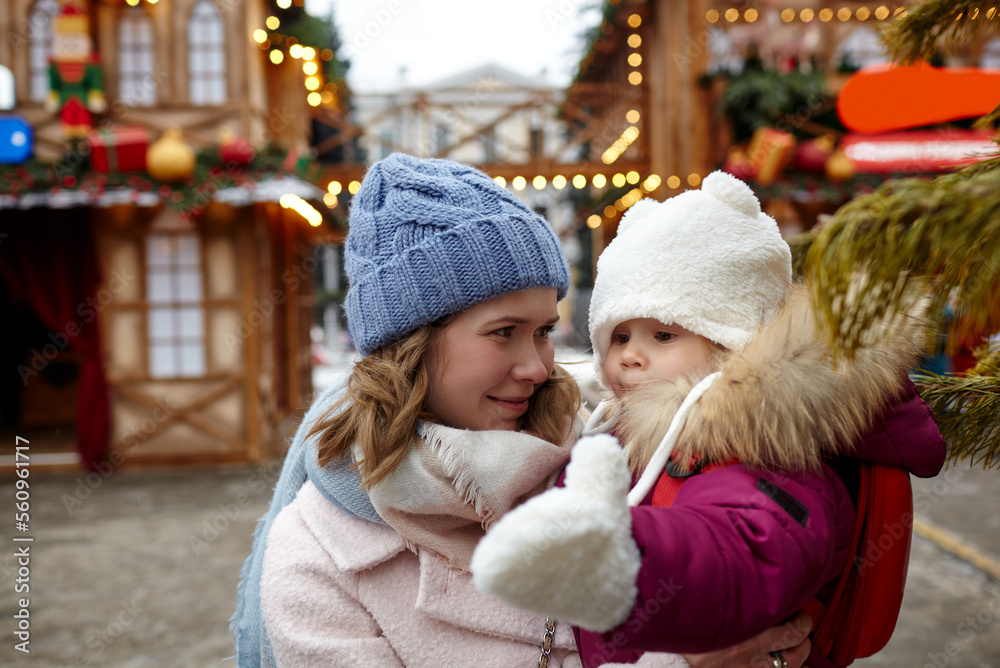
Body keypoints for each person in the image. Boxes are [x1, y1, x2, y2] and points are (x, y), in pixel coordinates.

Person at [232, 154, 815, 667]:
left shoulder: (612, 451)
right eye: (503, 332)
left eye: (542, 332)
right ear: (409, 344)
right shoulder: (317, 557)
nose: (538, 368)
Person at [471, 171, 947, 668]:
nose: (630, 357)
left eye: (662, 336)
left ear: (730, 344)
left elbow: (745, 550)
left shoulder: (762, 445)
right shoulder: (623, 434)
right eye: (619, 337)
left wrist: (622, 561)